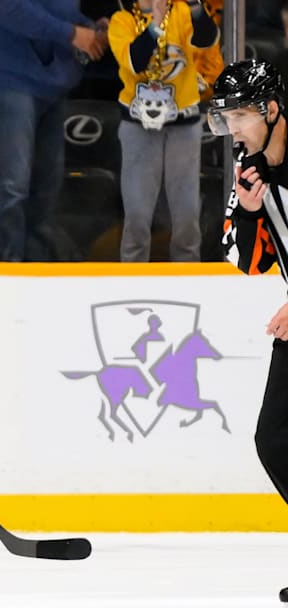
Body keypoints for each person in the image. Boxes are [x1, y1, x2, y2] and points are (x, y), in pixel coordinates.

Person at [208, 58, 288, 604]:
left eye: (241, 115)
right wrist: (252, 213)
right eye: (227, 117)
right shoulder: (249, 164)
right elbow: (244, 260)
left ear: (272, 109)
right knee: (276, 440)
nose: (234, 128)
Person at [0, 0, 107, 261]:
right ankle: (6, 267)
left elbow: (62, 11)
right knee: (14, 182)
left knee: (47, 183)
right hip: (12, 76)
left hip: (52, 83)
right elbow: (8, 8)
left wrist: (90, 29)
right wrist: (72, 34)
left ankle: (34, 265)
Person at [108, 0, 218, 262]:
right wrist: (155, 23)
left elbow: (207, 40)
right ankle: (132, 276)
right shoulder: (122, 21)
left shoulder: (181, 11)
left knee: (187, 213)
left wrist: (195, 7)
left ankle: (187, 272)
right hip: (138, 125)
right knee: (137, 213)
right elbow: (134, 62)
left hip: (183, 123)